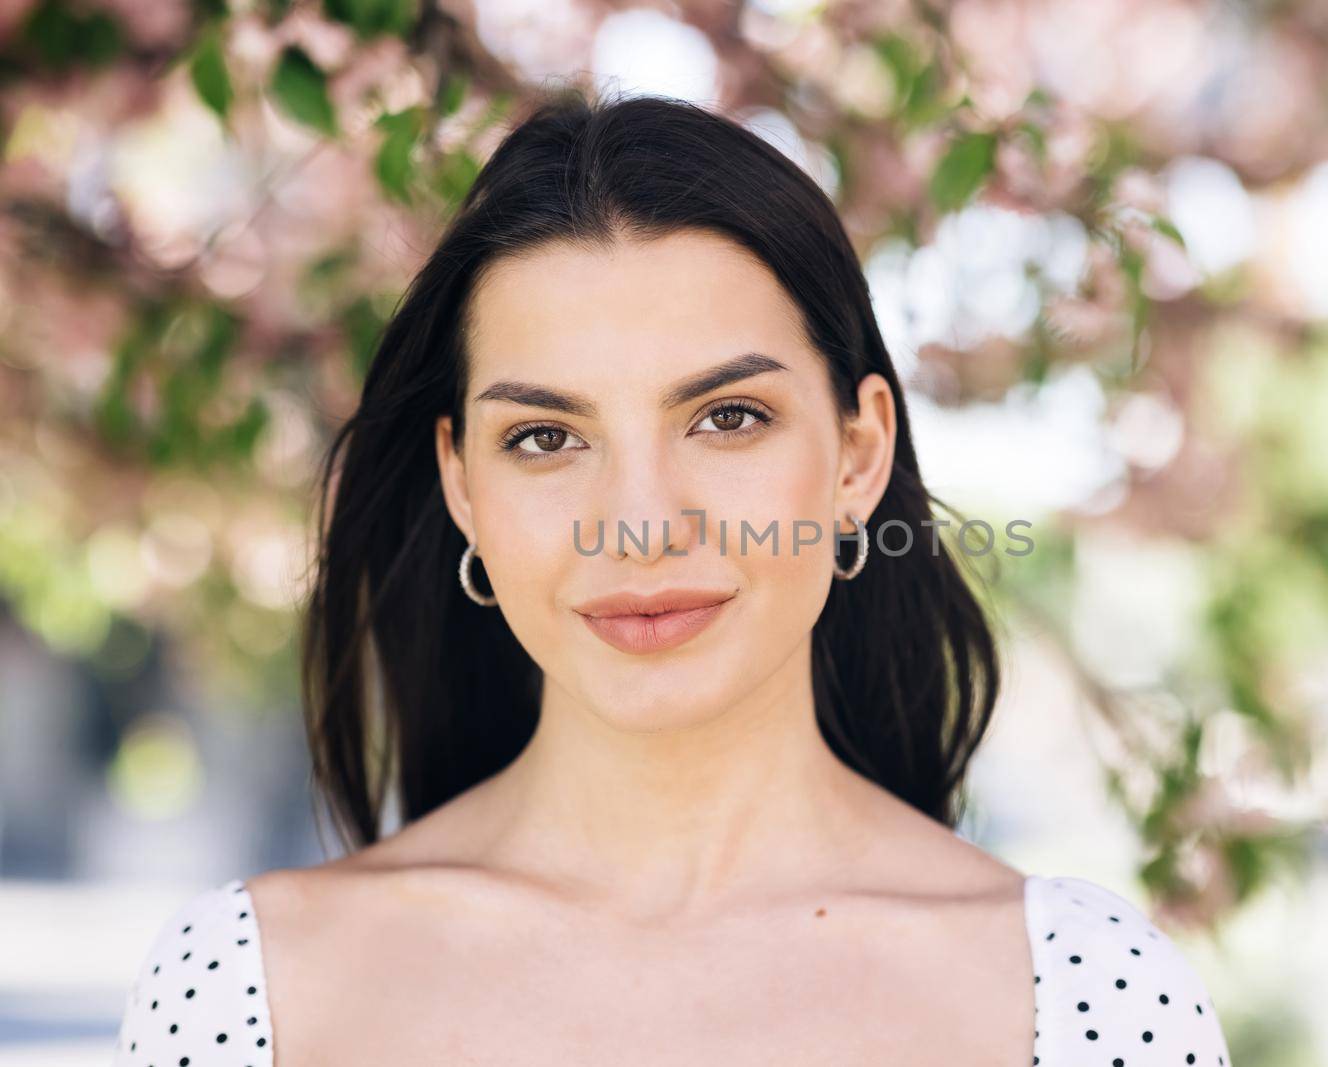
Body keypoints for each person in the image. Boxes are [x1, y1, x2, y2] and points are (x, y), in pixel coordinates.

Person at [111, 88, 1232, 1066]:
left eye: (727, 417)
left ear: (857, 453)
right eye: (545, 437)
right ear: (461, 484)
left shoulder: (1084, 992)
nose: (638, 526)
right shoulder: (249, 984)